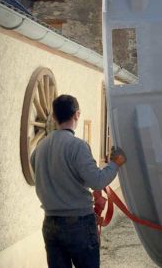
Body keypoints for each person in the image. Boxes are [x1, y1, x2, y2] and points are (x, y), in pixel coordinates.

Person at [30, 94, 126, 268]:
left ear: (54, 117)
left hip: (50, 223)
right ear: (77, 114)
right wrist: (115, 164)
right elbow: (97, 181)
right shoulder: (78, 146)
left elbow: (41, 173)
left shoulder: (39, 148)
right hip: (78, 223)